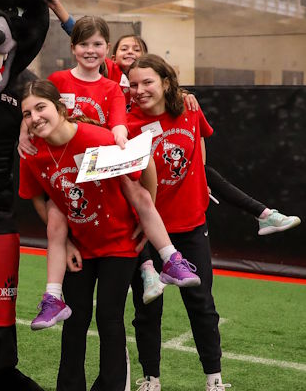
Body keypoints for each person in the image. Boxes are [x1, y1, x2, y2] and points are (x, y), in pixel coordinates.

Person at [21, 17, 199, 332]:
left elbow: (118, 126)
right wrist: (24, 132)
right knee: (56, 220)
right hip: (66, 167)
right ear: (73, 47)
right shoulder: (59, 79)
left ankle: (169, 258)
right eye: (83, 44)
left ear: (108, 51)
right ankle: (52, 297)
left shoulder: (113, 87)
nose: (90, 50)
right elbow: (38, 104)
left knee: (138, 194)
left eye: (97, 44)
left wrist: (115, 147)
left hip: (101, 160)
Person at [18, 79, 141, 391]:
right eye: (27, 113)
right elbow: (37, 199)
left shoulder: (97, 138)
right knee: (74, 322)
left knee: (109, 319)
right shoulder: (33, 153)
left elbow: (142, 170)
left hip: (119, 243)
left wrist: (147, 219)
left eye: (41, 107)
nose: (35, 117)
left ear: (60, 107)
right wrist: (67, 240)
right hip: (79, 248)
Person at [111, 33, 300, 238]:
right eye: (124, 48)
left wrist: (198, 174)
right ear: (112, 56)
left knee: (207, 173)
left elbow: (197, 136)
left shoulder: (181, 102)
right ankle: (147, 262)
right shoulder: (112, 84)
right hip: (140, 179)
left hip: (178, 179)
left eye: (136, 49)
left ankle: (262, 213)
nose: (130, 52)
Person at [126, 54, 230, 391]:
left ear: (166, 83)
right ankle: (151, 378)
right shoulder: (127, 124)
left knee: (202, 307)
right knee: (146, 309)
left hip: (191, 227)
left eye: (147, 83)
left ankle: (214, 382)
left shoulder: (189, 109)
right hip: (150, 233)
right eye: (134, 84)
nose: (140, 91)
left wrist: (198, 194)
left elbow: (200, 158)